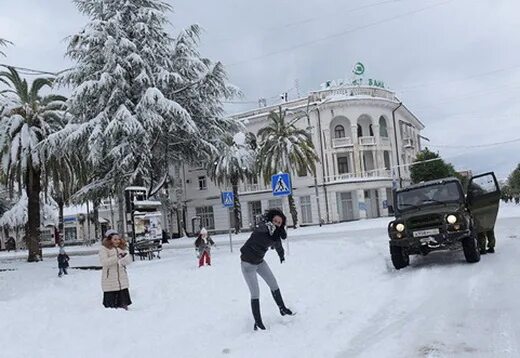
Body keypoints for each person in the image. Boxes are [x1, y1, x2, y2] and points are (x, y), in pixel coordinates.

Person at [240, 209, 294, 331]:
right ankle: (258, 322)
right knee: (255, 293)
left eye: (279, 222)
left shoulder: (275, 234)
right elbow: (258, 230)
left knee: (273, 283)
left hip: (259, 262)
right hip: (247, 264)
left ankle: (282, 308)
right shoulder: (264, 227)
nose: (276, 223)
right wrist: (267, 226)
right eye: (274, 221)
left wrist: (281, 255)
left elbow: (278, 244)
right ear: (270, 220)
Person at [99, 229, 132, 309]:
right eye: (115, 239)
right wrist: (117, 257)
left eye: (118, 239)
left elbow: (129, 260)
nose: (117, 241)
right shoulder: (103, 249)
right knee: (112, 309)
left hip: (122, 281)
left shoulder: (122, 248)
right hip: (110, 281)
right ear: (109, 240)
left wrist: (125, 258)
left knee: (124, 306)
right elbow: (104, 262)